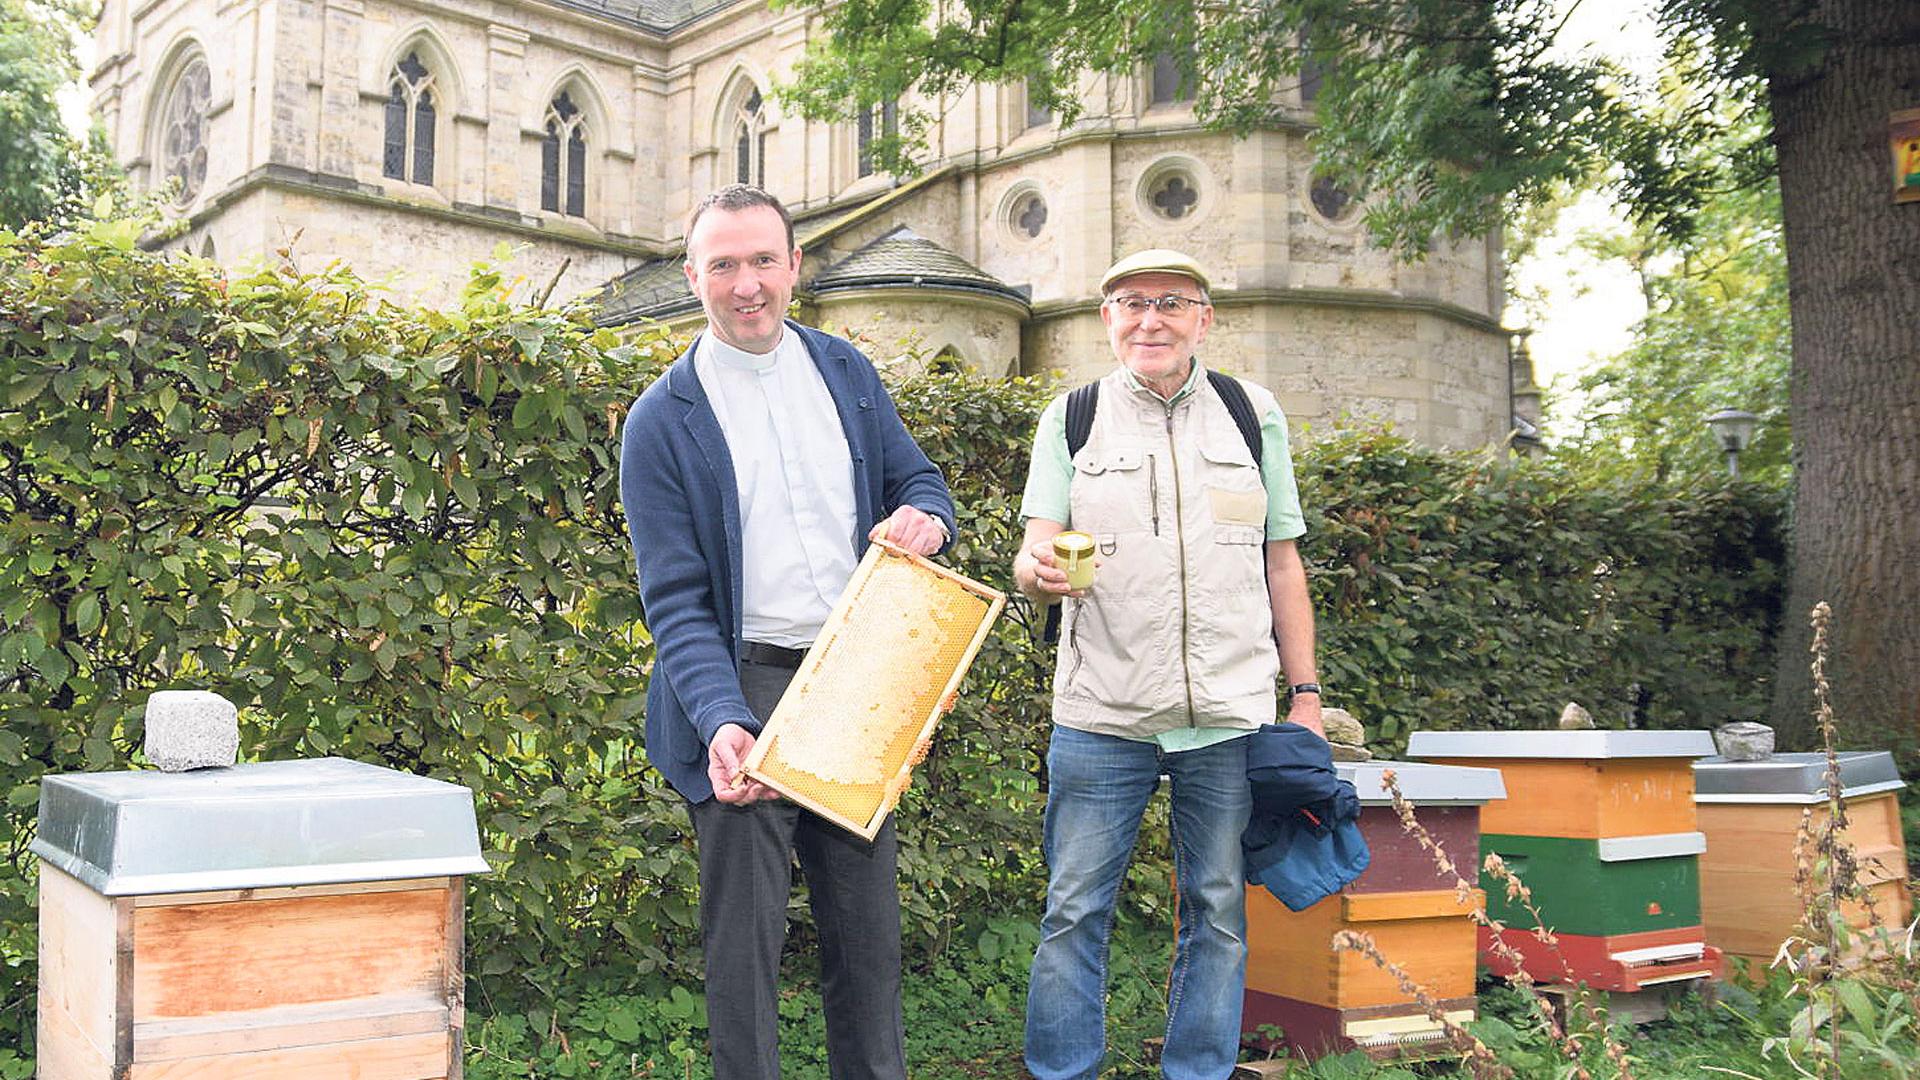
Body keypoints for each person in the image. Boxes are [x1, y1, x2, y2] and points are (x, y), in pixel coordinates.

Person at [619, 183, 956, 1080]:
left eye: (764, 260)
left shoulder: (845, 371)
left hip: (855, 686)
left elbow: (919, 482)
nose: (746, 284)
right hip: (743, 692)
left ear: (796, 265)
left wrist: (928, 518)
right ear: (691, 276)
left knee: (868, 944)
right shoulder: (660, 419)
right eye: (723, 264)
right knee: (744, 955)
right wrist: (723, 720)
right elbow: (677, 601)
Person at [1012, 249, 1325, 1080]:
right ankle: (1062, 1071)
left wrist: (1306, 697)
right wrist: (1036, 575)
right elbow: (1033, 553)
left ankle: (1199, 1071)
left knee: (1219, 911)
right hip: (1101, 712)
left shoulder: (1251, 414)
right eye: (1131, 303)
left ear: (1203, 319)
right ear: (1107, 318)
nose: (1151, 319)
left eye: (1172, 304)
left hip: (1227, 713)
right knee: (1075, 910)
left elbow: (1282, 562)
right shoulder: (1071, 417)